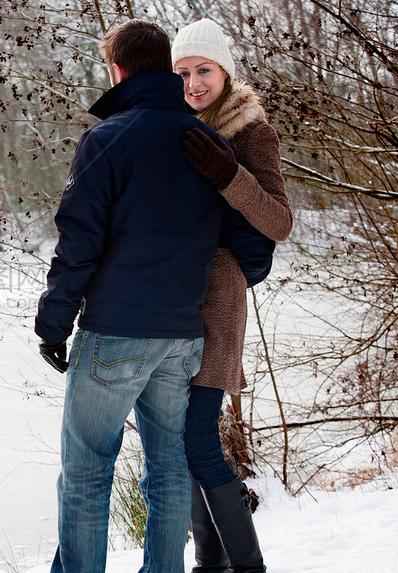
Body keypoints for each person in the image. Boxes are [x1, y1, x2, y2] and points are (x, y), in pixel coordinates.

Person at [35, 19, 268, 573]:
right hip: (183, 335)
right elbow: (242, 233)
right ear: (166, 68)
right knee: (167, 470)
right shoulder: (207, 143)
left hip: (117, 330)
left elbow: (79, 243)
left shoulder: (107, 139)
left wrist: (52, 322)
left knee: (88, 470)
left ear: (116, 69)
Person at [172, 18, 294, 573]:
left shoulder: (251, 131)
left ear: (225, 71)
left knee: (196, 433)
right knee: (183, 438)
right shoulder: (172, 126)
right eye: (182, 73)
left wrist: (229, 174)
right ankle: (210, 564)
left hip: (219, 296)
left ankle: (246, 568)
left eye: (203, 70)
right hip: (172, 299)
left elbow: (278, 221)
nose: (193, 83)